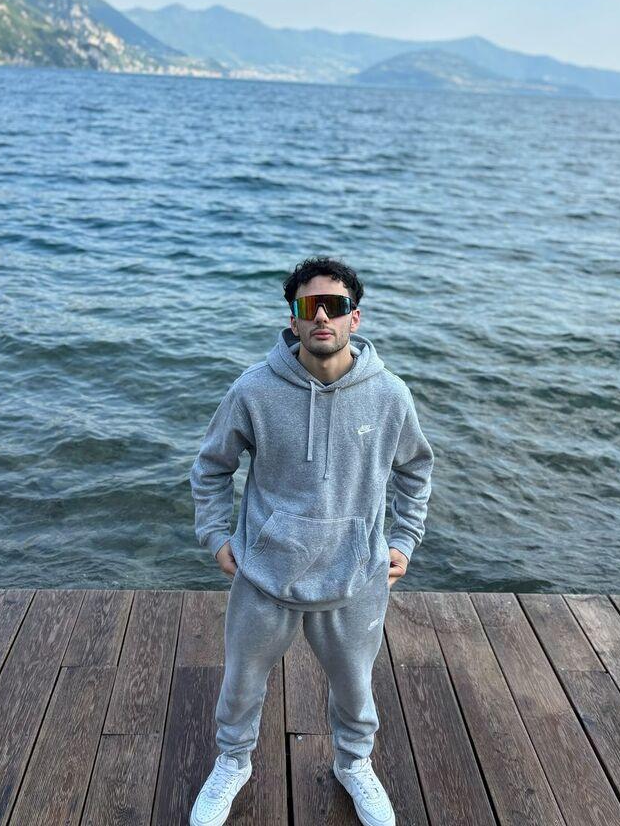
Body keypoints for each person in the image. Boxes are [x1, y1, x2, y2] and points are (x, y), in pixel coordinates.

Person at [189, 255, 434, 826]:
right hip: (265, 575)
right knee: (241, 684)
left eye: (335, 305)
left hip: (356, 577)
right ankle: (232, 762)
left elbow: (416, 470)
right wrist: (216, 535)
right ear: (294, 319)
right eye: (309, 306)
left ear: (355, 317)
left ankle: (354, 763)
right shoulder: (253, 389)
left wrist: (404, 538)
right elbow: (211, 466)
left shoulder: (390, 395)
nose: (322, 316)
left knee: (355, 688)